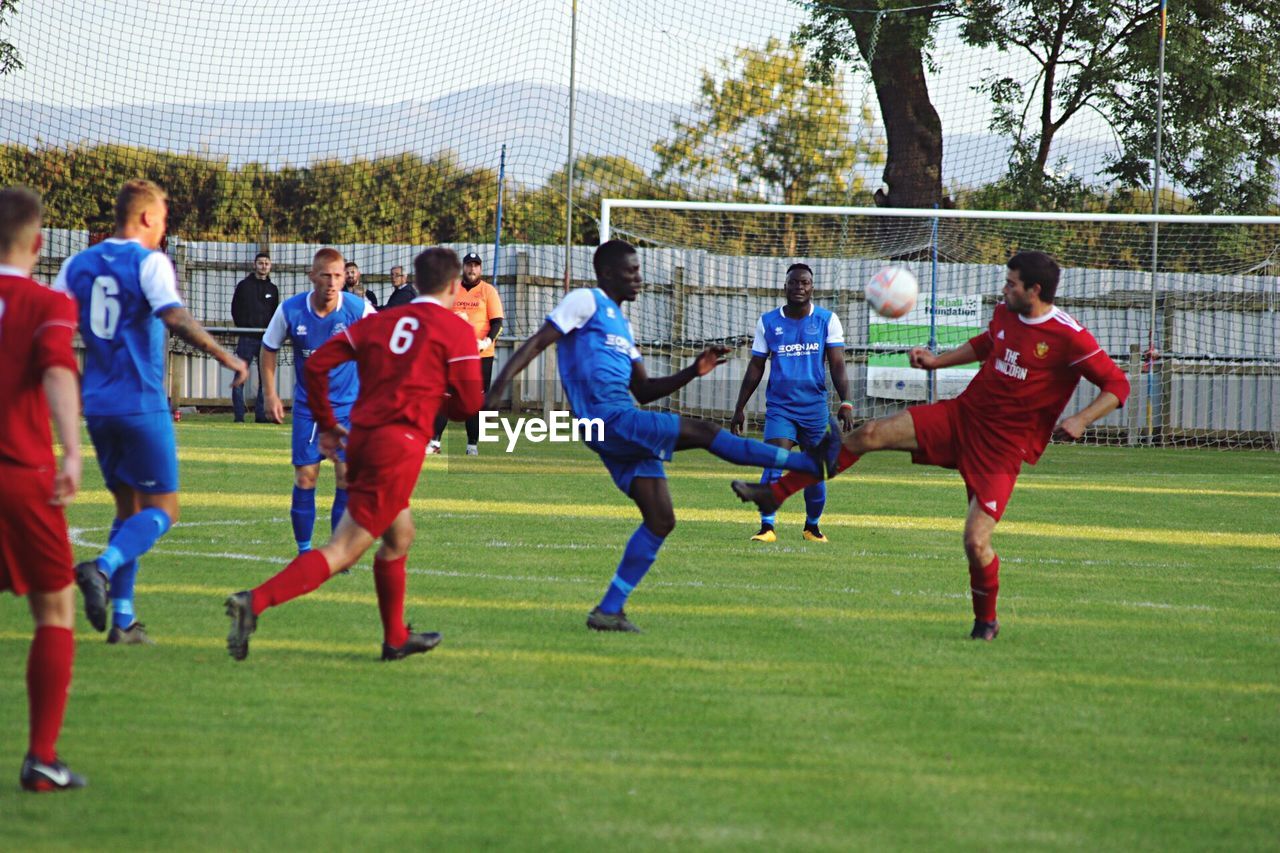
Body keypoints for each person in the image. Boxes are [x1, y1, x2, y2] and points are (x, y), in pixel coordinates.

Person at [732, 251, 1130, 640]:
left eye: (1011, 283)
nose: (1004, 289)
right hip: (962, 417)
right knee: (868, 434)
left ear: (1035, 290)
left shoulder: (1068, 336)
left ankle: (986, 621)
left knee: (976, 543)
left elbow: (1117, 385)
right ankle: (775, 494)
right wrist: (937, 362)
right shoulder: (1006, 311)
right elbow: (987, 343)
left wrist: (1081, 419)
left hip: (1003, 448)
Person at [484, 240, 838, 633]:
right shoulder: (584, 301)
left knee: (661, 519)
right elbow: (537, 342)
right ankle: (806, 463)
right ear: (607, 274)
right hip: (610, 418)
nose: (639, 277)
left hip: (621, 420)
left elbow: (645, 390)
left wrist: (692, 370)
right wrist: (498, 389)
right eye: (631, 271)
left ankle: (609, 610)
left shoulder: (623, 324)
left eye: (639, 270)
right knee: (703, 431)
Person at [225, 247, 484, 661]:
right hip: (396, 449)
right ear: (455, 286)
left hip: (362, 436)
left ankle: (396, 637)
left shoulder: (383, 320)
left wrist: (327, 423)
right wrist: (444, 398)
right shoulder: (453, 330)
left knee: (400, 536)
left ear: (414, 283)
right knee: (343, 550)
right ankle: (253, 603)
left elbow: (318, 363)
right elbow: (469, 406)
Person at [57, 179, 248, 644]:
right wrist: (227, 358)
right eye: (163, 217)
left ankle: (123, 620)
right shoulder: (150, 261)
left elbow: (53, 326)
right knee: (165, 510)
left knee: (129, 509)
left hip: (97, 408)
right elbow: (175, 317)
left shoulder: (76, 264)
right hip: (141, 404)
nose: (164, 227)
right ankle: (99, 568)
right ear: (146, 218)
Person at [0, 187, 87, 791]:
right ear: (36, 243)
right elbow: (57, 369)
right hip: (20, 474)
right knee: (54, 608)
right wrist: (73, 450)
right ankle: (41, 758)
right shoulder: (46, 301)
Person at [260, 248, 376, 555]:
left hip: (349, 407)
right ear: (312, 276)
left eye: (338, 275)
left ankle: (339, 551)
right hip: (309, 408)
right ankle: (305, 551)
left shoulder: (358, 309)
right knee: (307, 475)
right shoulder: (290, 310)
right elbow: (268, 348)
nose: (332, 282)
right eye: (325, 275)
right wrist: (270, 394)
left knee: (347, 477)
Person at [731, 263, 853, 544]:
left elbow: (837, 365)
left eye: (805, 283)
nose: (799, 287)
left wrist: (846, 401)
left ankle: (811, 527)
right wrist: (740, 407)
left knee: (815, 471)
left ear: (812, 287)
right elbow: (755, 367)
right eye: (794, 283)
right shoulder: (768, 322)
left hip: (814, 409)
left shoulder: (827, 320)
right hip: (780, 409)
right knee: (773, 462)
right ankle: (767, 527)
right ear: (784, 287)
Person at [427, 251, 503, 455]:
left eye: (476, 265)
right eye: (469, 265)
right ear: (464, 267)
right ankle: (434, 443)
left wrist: (486, 341)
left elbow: (497, 322)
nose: (472, 269)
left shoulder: (488, 291)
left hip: (480, 356)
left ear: (480, 268)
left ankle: (472, 446)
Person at [229, 251, 279, 422]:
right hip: (246, 338)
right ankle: (239, 416)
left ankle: (261, 416)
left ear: (270, 266)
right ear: (254, 265)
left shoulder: (273, 289)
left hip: (265, 339)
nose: (263, 266)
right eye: (260, 263)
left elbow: (275, 314)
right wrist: (244, 327)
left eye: (266, 263)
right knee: (240, 376)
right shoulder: (243, 286)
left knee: (265, 378)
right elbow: (235, 309)